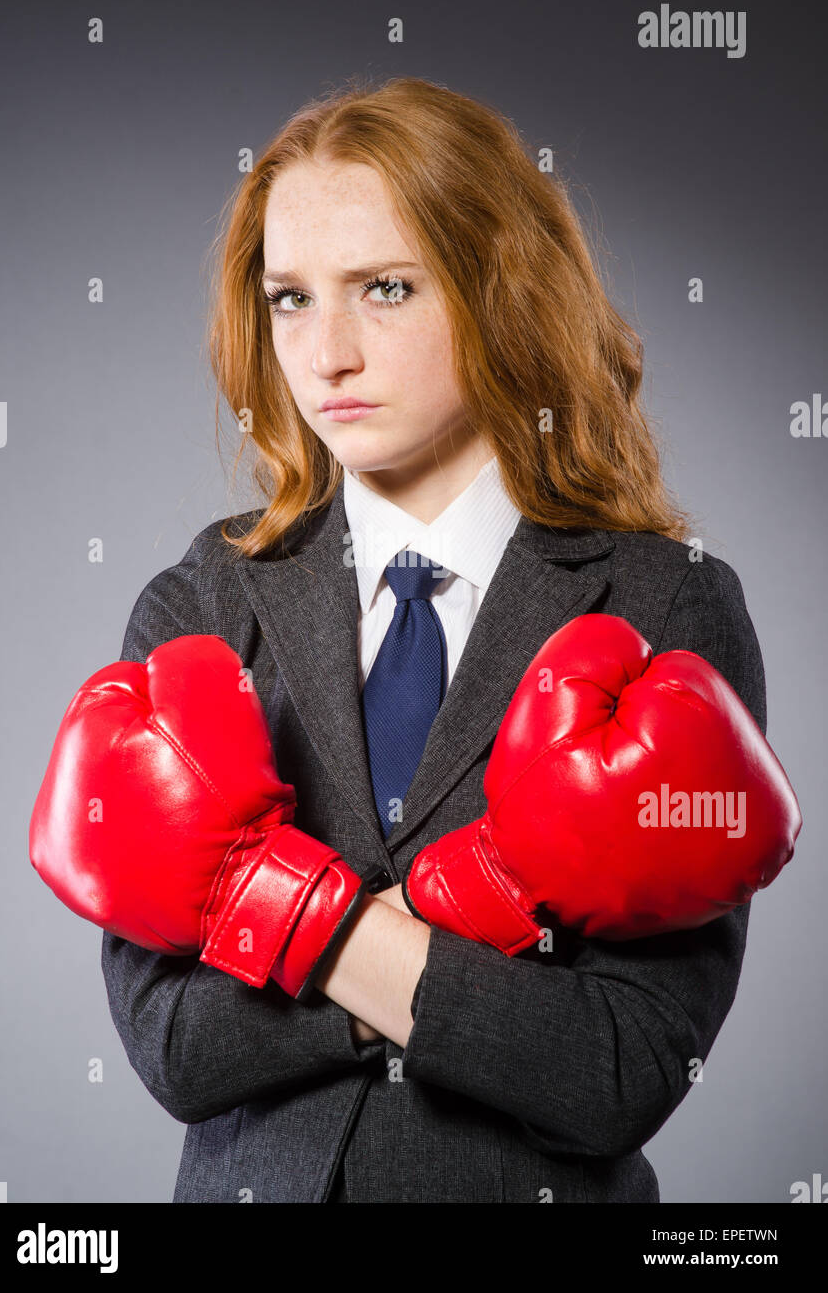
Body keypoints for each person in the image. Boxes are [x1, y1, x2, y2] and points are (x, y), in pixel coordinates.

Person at [101, 75, 766, 1203]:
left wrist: (300, 925)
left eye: (387, 288)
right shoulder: (205, 601)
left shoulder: (665, 606)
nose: (328, 355)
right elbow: (178, 1046)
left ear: (503, 292)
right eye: (292, 298)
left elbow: (619, 1067)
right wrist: (449, 929)